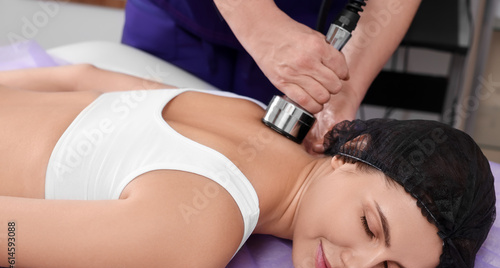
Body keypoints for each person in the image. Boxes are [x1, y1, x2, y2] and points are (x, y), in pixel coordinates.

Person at [0, 64, 495, 268]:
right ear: (355, 151)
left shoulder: (251, 114)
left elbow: (77, 75)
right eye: (369, 226)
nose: (358, 267)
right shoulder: (199, 236)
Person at [122, 0, 423, 153]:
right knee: (142, 140)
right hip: (180, 19)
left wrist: (344, 89)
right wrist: (259, 25)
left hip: (309, 39)